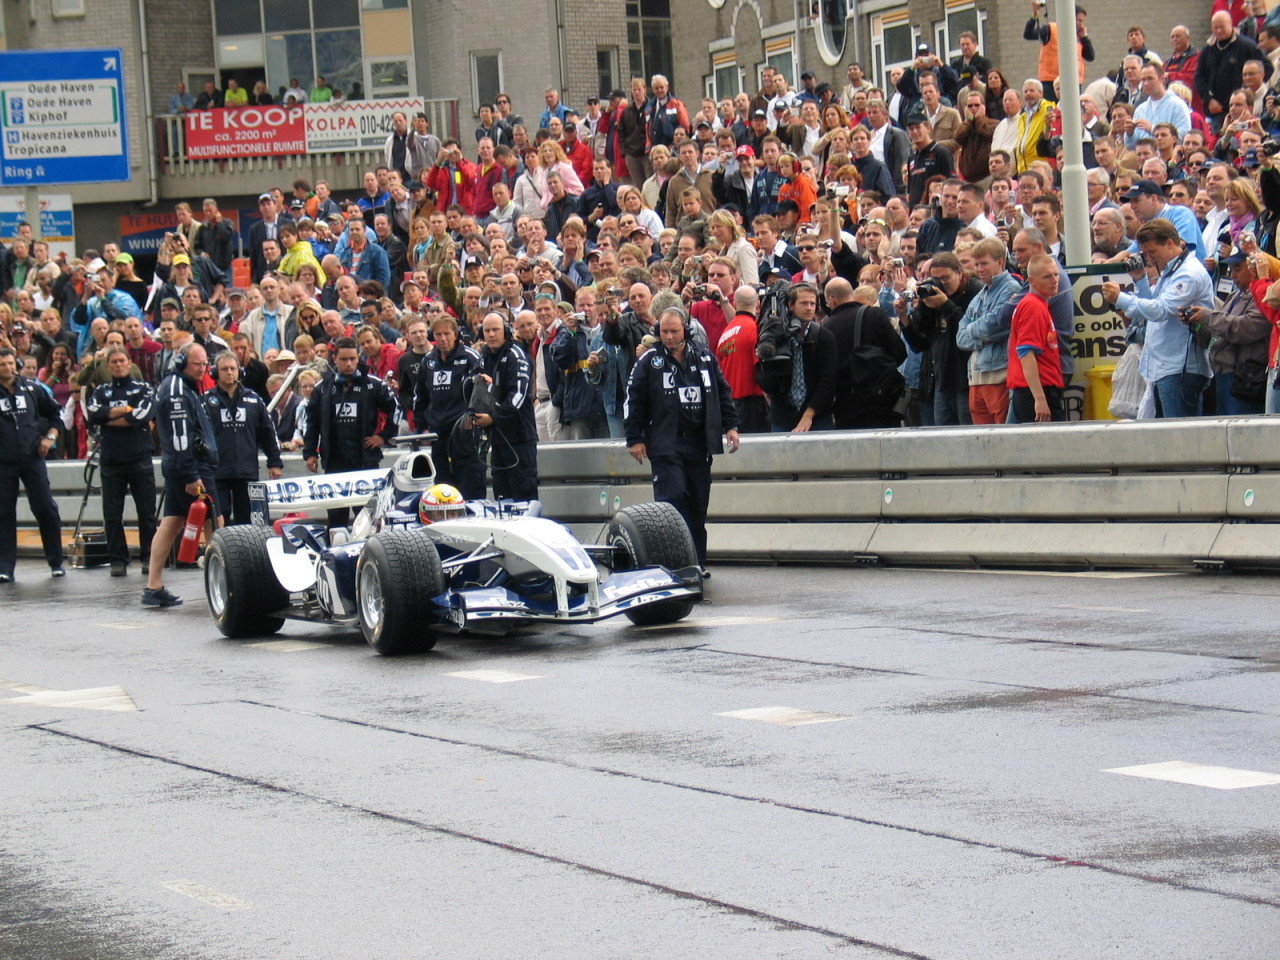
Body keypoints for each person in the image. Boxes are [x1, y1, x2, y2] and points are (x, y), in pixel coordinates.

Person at [625, 305, 739, 568]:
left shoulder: (705, 357)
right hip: (667, 444)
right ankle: (671, 563)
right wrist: (635, 438)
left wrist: (731, 426)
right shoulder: (648, 361)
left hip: (700, 444)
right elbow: (634, 400)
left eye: (674, 331)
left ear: (685, 330)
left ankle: (697, 563)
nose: (669, 337)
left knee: (698, 505)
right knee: (671, 502)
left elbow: (723, 394)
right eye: (664, 331)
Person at [1101, 219, 1215, 417]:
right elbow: (1151, 312)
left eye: (1152, 252)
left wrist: (1121, 298)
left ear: (1171, 243)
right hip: (1164, 366)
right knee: (1165, 438)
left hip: (1181, 368)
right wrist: (1140, 280)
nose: (1150, 259)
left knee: (1179, 438)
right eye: (1146, 254)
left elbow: (1161, 310)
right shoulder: (1172, 270)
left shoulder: (1188, 273)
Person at [144, 343, 220, 607]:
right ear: (181, 362)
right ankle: (222, 583)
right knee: (215, 521)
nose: (203, 369)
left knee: (172, 521)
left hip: (184, 465)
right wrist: (191, 474)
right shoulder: (177, 389)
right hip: (191, 467)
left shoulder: (182, 386)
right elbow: (179, 437)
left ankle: (153, 586)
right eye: (197, 364)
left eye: (204, 364)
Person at [303, 336, 401, 527]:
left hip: (365, 460)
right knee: (336, 518)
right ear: (335, 359)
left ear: (359, 358)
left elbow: (395, 408)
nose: (348, 364)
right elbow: (312, 423)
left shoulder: (373, 384)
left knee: (367, 517)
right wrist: (310, 453)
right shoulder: (322, 388)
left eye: (352, 359)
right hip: (334, 461)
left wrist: (383, 436)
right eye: (344, 359)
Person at [86, 347, 157, 577]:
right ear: (108, 365)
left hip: (139, 458)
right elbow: (94, 414)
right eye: (114, 361)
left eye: (122, 360)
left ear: (129, 363)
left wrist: (110, 417)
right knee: (112, 513)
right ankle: (118, 559)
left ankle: (148, 556)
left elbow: (142, 416)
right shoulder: (101, 390)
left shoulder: (144, 388)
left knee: (146, 512)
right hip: (111, 460)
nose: (118, 365)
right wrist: (125, 410)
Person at [0, 347, 65, 582]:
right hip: (4, 462)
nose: (7, 368)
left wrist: (50, 437)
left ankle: (56, 561)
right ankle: (5, 567)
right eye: (2, 365)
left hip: (32, 457)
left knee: (45, 508)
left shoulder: (33, 388)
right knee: (4, 513)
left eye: (10, 363)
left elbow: (56, 414)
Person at [412, 314, 486, 500]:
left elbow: (481, 393)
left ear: (455, 335)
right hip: (437, 434)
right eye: (438, 334)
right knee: (442, 487)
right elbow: (420, 397)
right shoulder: (428, 361)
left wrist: (471, 418)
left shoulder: (470, 357)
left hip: (464, 432)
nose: (443, 339)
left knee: (470, 482)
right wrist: (421, 428)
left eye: (446, 334)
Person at [205, 351, 283, 525]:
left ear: (240, 371)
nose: (229, 372)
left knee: (247, 520)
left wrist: (275, 462)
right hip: (218, 472)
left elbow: (267, 432)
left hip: (246, 469)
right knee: (218, 517)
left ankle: (246, 553)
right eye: (224, 369)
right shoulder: (206, 401)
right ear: (215, 373)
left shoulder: (254, 399)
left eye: (233, 368)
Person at [824, 277, 907, 428]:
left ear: (832, 299)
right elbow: (900, 353)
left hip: (846, 405)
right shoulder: (875, 315)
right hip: (882, 401)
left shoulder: (826, 328)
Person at [754, 282, 837, 432]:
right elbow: (765, 382)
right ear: (791, 305)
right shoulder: (776, 336)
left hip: (818, 419)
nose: (809, 308)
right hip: (782, 419)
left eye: (813, 303)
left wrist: (808, 416)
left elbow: (828, 381)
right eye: (804, 303)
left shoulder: (823, 336)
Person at [474, 312, 538, 501]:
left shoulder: (516, 355)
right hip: (497, 438)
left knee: (523, 492)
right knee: (501, 494)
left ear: (507, 331)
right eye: (487, 330)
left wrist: (493, 417)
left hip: (520, 437)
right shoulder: (484, 356)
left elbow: (518, 396)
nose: (491, 334)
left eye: (496, 330)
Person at [1009, 255, 1067, 423]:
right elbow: (1026, 353)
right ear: (1032, 281)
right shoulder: (1032, 306)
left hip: (1035, 390)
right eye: (1047, 276)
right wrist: (1040, 399)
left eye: (1056, 275)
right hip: (1036, 391)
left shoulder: (1037, 304)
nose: (1055, 280)